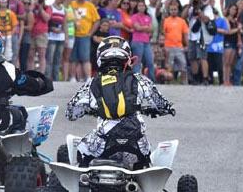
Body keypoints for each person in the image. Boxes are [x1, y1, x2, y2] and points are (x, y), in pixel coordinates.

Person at [65, 37, 175, 169]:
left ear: (100, 58)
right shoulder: (139, 80)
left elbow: (71, 112)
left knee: (80, 151)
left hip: (103, 144)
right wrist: (165, 109)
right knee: (147, 161)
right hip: (137, 144)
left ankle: (82, 183)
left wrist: (89, 109)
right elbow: (161, 104)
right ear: (127, 58)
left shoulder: (92, 84)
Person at [69, 0, 101, 81]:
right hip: (72, 35)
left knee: (85, 58)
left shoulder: (90, 6)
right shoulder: (71, 4)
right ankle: (72, 78)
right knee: (73, 58)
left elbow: (97, 20)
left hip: (85, 36)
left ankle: (88, 78)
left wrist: (90, 33)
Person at [130, 0, 155, 81]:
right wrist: (146, 27)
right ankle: (136, 80)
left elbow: (151, 29)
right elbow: (137, 27)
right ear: (137, 7)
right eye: (139, 5)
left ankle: (151, 80)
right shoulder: (134, 16)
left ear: (145, 7)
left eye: (143, 5)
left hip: (146, 42)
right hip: (137, 41)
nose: (141, 7)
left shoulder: (148, 17)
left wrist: (142, 27)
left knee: (150, 61)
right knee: (137, 62)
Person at [45, 0, 67, 81]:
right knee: (49, 58)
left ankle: (56, 79)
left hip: (60, 37)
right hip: (51, 36)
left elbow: (65, 24)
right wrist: (52, 28)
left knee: (58, 59)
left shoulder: (64, 10)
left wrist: (66, 37)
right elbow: (47, 21)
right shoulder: (50, 8)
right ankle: (47, 78)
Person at [28, 0, 51, 74]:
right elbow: (28, 13)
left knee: (42, 55)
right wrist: (33, 5)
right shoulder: (31, 6)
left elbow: (47, 18)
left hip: (42, 33)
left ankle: (41, 73)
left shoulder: (47, 7)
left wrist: (40, 7)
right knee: (30, 55)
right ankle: (30, 73)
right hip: (31, 33)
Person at [0, 0, 18, 64]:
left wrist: (11, 34)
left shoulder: (11, 13)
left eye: (5, 2)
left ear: (7, 3)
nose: (3, 3)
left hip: (8, 34)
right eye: (2, 2)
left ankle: (8, 64)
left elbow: (15, 25)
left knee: (8, 52)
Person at [221, 3, 242, 86]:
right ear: (229, 9)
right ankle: (224, 80)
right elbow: (228, 31)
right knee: (226, 62)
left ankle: (228, 80)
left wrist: (239, 41)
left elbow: (238, 33)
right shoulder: (225, 19)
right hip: (227, 41)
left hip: (234, 42)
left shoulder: (236, 21)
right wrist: (238, 29)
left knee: (230, 63)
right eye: (232, 9)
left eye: (235, 9)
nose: (234, 11)